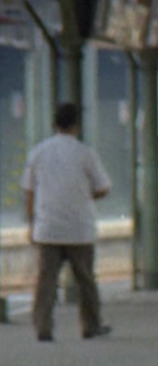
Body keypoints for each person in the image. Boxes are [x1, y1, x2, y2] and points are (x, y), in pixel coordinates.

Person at [20, 103, 112, 343]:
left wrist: (31, 223)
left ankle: (43, 327)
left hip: (48, 228)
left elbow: (29, 191)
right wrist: (84, 196)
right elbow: (103, 187)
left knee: (46, 282)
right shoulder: (85, 154)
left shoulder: (38, 153)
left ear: (54, 124)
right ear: (77, 126)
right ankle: (91, 325)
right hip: (79, 228)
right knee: (86, 280)